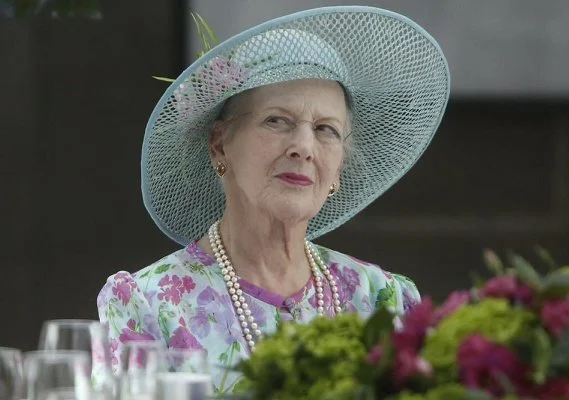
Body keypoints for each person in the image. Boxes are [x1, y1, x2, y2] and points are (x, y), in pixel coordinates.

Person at [97, 5, 450, 395]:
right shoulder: (146, 304)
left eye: (325, 130)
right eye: (277, 121)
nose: (303, 147)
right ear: (219, 145)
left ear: (337, 170)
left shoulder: (387, 301)